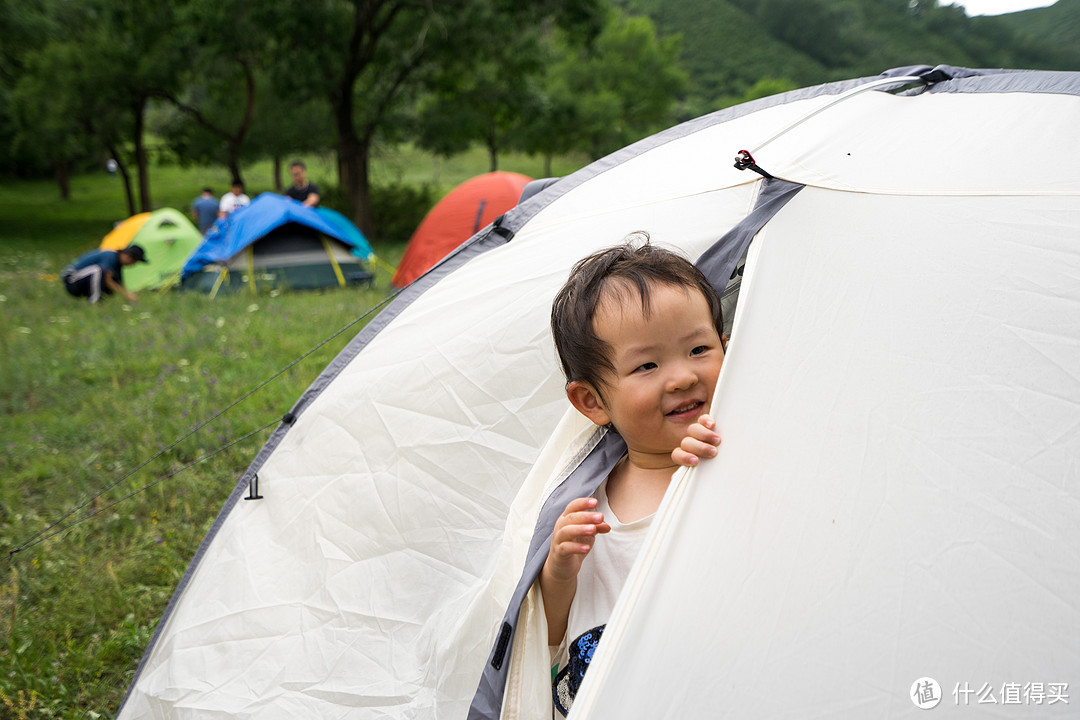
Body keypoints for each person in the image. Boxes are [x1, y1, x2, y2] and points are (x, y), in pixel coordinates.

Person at [542, 237, 726, 716]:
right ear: (593, 402)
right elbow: (547, 636)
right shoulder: (586, 506)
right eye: (647, 365)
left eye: (699, 348)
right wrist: (558, 572)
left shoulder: (733, 456)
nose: (683, 377)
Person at [61, 244, 147, 304]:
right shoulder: (110, 256)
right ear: (126, 255)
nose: (133, 264)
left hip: (82, 279)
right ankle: (94, 303)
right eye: (133, 261)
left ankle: (97, 302)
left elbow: (120, 284)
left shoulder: (118, 265)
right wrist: (126, 295)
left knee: (112, 284)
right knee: (99, 271)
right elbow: (107, 279)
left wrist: (130, 295)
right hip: (72, 280)